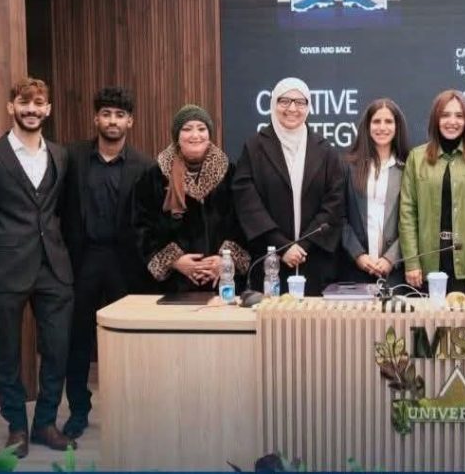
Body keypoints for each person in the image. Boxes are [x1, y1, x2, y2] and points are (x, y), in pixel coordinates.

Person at [0, 78, 75, 456]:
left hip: (54, 268)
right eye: (24, 103)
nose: (31, 109)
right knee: (8, 354)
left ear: (48, 109)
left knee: (57, 349)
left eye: (38, 103)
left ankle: (45, 423)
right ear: (11, 107)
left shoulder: (60, 155)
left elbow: (62, 212)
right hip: (5, 267)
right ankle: (16, 426)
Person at [61, 86, 154, 440]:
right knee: (78, 340)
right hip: (81, 259)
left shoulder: (145, 166)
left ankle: (129, 411)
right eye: (106, 114)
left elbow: (148, 221)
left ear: (130, 121)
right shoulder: (71, 158)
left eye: (119, 115)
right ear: (95, 118)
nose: (112, 121)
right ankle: (78, 412)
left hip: (125, 264)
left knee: (127, 340)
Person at [233, 78, 346, 296]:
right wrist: (281, 246)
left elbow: (334, 202)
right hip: (269, 260)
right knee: (270, 317)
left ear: (308, 107)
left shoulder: (325, 150)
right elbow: (248, 202)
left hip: (313, 259)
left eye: (300, 102)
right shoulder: (254, 147)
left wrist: (304, 245)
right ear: (273, 104)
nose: (292, 108)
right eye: (284, 101)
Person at [133, 104, 251, 292]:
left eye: (201, 129)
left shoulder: (230, 173)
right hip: (174, 285)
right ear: (177, 136)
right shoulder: (154, 176)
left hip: (222, 283)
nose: (195, 135)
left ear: (209, 134)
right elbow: (141, 227)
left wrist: (226, 260)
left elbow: (245, 222)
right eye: (187, 129)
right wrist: (174, 260)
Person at [399, 90, 465, 295]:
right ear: (435, 119)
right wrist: (411, 261)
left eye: (459, 115)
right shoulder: (416, 158)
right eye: (445, 115)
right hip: (424, 267)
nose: (452, 121)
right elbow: (407, 213)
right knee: (424, 318)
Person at [341, 99, 411, 285]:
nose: (382, 127)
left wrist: (391, 258)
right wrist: (358, 255)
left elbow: (413, 221)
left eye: (388, 121)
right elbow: (340, 218)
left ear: (397, 127)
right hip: (354, 271)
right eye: (376, 121)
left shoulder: (409, 168)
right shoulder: (348, 167)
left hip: (396, 273)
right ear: (367, 126)